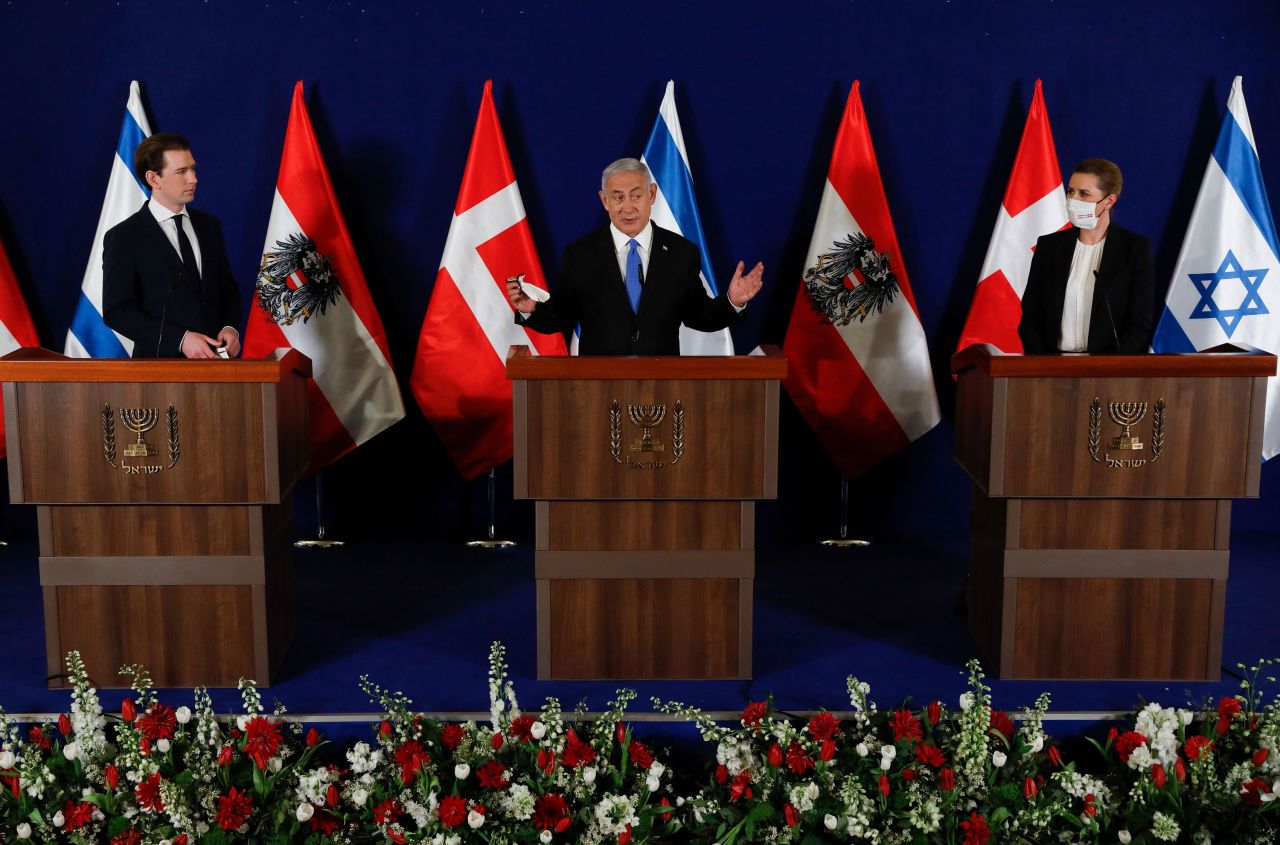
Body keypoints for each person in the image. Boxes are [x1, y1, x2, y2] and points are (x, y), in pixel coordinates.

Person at [506, 158, 763, 355]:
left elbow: (699, 315)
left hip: (662, 385)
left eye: (636, 196)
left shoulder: (681, 253)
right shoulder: (580, 255)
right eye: (618, 198)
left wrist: (732, 302)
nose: (627, 207)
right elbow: (561, 316)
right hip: (597, 388)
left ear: (651, 195)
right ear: (604, 201)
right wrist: (532, 310)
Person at [102, 133, 242, 359]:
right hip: (160, 372)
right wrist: (180, 339)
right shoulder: (125, 237)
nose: (193, 179)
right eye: (181, 172)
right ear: (153, 179)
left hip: (219, 367)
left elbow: (228, 290)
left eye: (193, 169)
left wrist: (231, 328)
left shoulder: (209, 226)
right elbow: (117, 312)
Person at [1018, 158, 1153, 354]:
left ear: (1109, 201)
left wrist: (1110, 367)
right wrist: (1043, 365)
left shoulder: (1134, 249)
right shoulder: (1050, 247)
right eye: (1071, 191)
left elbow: (1140, 322)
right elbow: (1031, 316)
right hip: (1050, 369)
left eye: (1084, 194)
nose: (1073, 200)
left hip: (1108, 372)